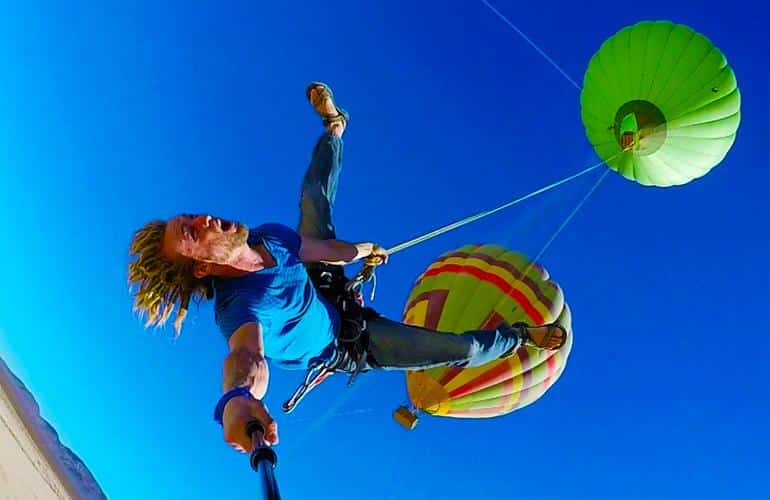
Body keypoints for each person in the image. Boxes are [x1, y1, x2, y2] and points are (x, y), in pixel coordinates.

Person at [127, 82, 566, 453]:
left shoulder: (270, 236)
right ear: (202, 268)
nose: (202, 219)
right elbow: (247, 357)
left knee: (314, 198)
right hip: (349, 344)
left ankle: (335, 128)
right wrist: (237, 402)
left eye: (190, 218)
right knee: (463, 351)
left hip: (323, 287)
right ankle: (518, 336)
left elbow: (325, 250)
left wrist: (364, 251)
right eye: (191, 234)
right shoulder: (239, 309)